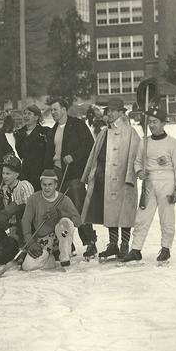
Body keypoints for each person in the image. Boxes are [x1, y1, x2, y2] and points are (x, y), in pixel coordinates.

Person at [120, 108, 176, 263]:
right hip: (149, 183)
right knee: (142, 217)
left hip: (167, 183)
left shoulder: (173, 144)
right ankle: (136, 249)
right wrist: (139, 172)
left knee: (166, 217)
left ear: (163, 123)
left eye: (155, 122)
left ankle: (165, 248)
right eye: (149, 122)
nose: (152, 125)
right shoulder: (145, 142)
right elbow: (137, 162)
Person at [81, 97, 140, 260]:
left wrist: (130, 177)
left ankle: (125, 244)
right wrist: (90, 174)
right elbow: (95, 154)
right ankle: (113, 244)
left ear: (122, 112)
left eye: (114, 110)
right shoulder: (104, 132)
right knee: (110, 211)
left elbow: (135, 156)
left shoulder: (130, 132)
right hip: (105, 177)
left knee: (124, 212)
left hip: (122, 178)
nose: (111, 114)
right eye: (109, 111)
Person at [45, 98, 98, 259]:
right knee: (60, 209)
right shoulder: (53, 129)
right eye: (51, 110)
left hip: (74, 172)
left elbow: (90, 145)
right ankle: (67, 243)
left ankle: (90, 242)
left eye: (55, 109)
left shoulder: (78, 125)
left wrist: (74, 156)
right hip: (57, 172)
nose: (53, 113)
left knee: (78, 206)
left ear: (64, 109)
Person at [21, 170, 82, 271]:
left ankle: (64, 257)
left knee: (65, 222)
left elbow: (78, 221)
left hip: (62, 237)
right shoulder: (34, 199)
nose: (47, 188)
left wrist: (61, 214)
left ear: (56, 185)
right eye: (44, 184)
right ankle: (50, 260)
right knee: (27, 266)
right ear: (40, 184)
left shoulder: (64, 199)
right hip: (44, 240)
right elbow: (25, 221)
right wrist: (30, 242)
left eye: (50, 184)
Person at [0, 155, 34, 264]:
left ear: (17, 174)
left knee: (16, 213)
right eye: (3, 173)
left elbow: (30, 209)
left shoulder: (24, 185)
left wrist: (12, 208)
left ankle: (24, 248)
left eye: (8, 174)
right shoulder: (4, 189)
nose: (4, 176)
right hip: (11, 229)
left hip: (26, 226)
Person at [14, 104, 49, 191]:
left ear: (37, 117)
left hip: (42, 172)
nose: (26, 116)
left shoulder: (46, 132)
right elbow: (20, 152)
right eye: (24, 114)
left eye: (29, 114)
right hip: (26, 173)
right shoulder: (19, 133)